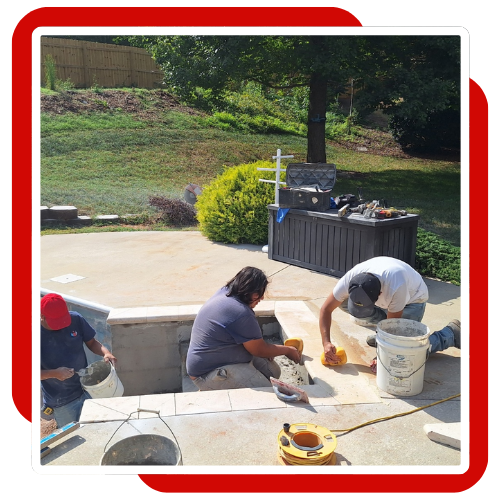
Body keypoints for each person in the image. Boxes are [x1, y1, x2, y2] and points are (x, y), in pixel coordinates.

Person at [318, 256, 461, 371]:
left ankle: (450, 334)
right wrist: (326, 342)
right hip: (388, 300)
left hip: (412, 302)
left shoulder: (397, 286)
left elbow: (391, 328)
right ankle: (381, 333)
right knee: (342, 302)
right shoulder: (351, 279)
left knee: (403, 354)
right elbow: (326, 309)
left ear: (380, 294)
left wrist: (382, 357)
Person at [186, 266, 301, 391]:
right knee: (266, 391)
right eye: (259, 293)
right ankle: (210, 388)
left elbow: (257, 346)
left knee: (272, 372)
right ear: (248, 291)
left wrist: (270, 351)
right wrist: (288, 350)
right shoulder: (240, 313)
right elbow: (259, 350)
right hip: (206, 373)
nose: (262, 298)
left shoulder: (226, 292)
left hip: (219, 356)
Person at [40, 293, 117, 428]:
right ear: (42, 316)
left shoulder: (76, 319)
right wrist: (55, 373)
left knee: (96, 428)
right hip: (62, 401)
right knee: (73, 435)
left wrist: (106, 353)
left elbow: (91, 342)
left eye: (63, 321)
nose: (61, 326)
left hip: (88, 389)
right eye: (56, 323)